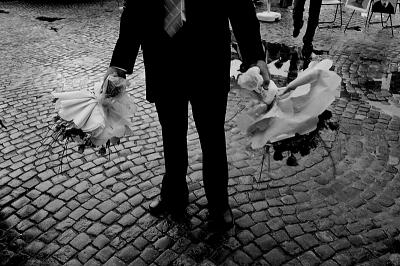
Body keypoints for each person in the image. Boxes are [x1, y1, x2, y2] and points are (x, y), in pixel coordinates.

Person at [105, 0, 270, 231]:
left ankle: (218, 203)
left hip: (208, 58)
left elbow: (240, 5)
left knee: (212, 135)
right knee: (171, 132)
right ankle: (173, 194)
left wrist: (255, 57)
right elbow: (136, 8)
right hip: (163, 59)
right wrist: (119, 64)